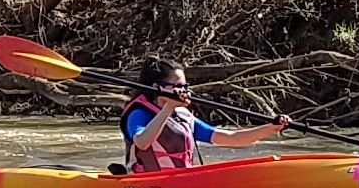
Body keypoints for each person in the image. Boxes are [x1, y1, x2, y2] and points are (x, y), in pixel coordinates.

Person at [120, 58, 285, 172]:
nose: (183, 91)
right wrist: (168, 107)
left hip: (179, 181)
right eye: (177, 86)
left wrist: (272, 127)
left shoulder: (183, 117)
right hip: (147, 185)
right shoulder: (139, 114)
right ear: (158, 87)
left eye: (185, 86)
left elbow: (233, 138)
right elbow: (142, 142)